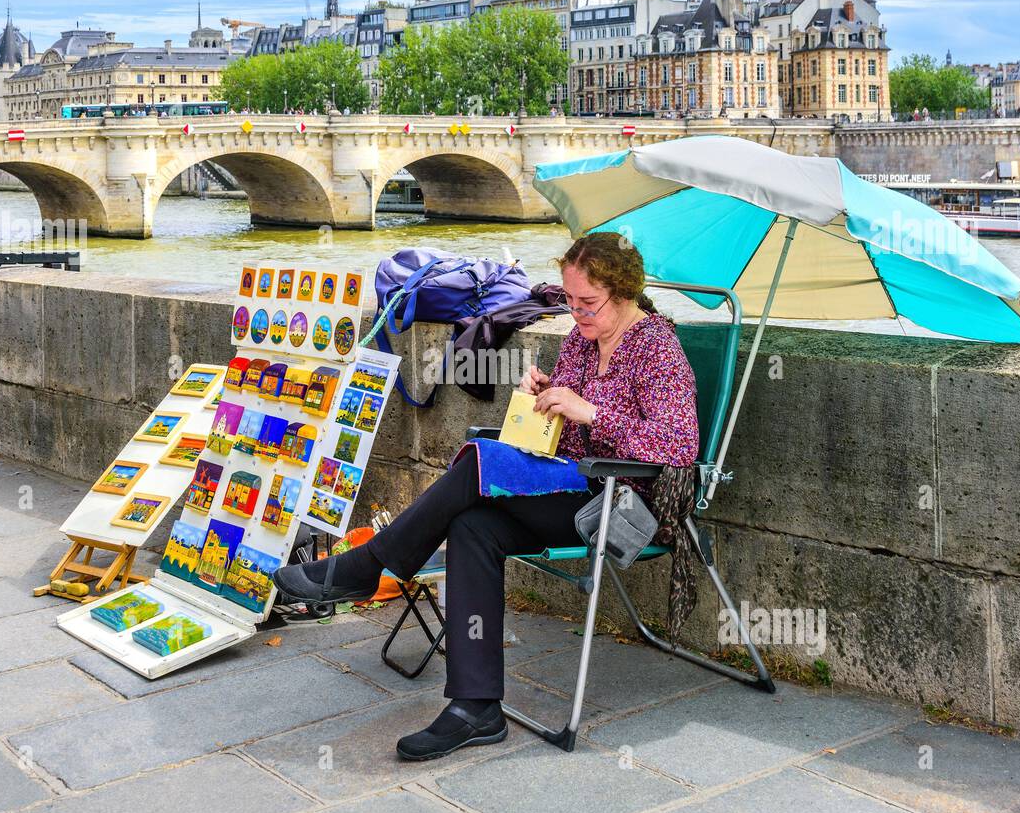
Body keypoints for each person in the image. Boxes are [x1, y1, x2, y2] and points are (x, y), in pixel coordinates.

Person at [273, 233, 701, 760]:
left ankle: (367, 566)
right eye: (569, 301)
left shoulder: (657, 347)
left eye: (587, 303)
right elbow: (561, 436)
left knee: (478, 460)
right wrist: (540, 399)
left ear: (624, 290)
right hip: (568, 484)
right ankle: (476, 708)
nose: (576, 314)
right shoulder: (581, 342)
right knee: (472, 527)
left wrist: (589, 411)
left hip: (616, 503)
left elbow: (678, 447)